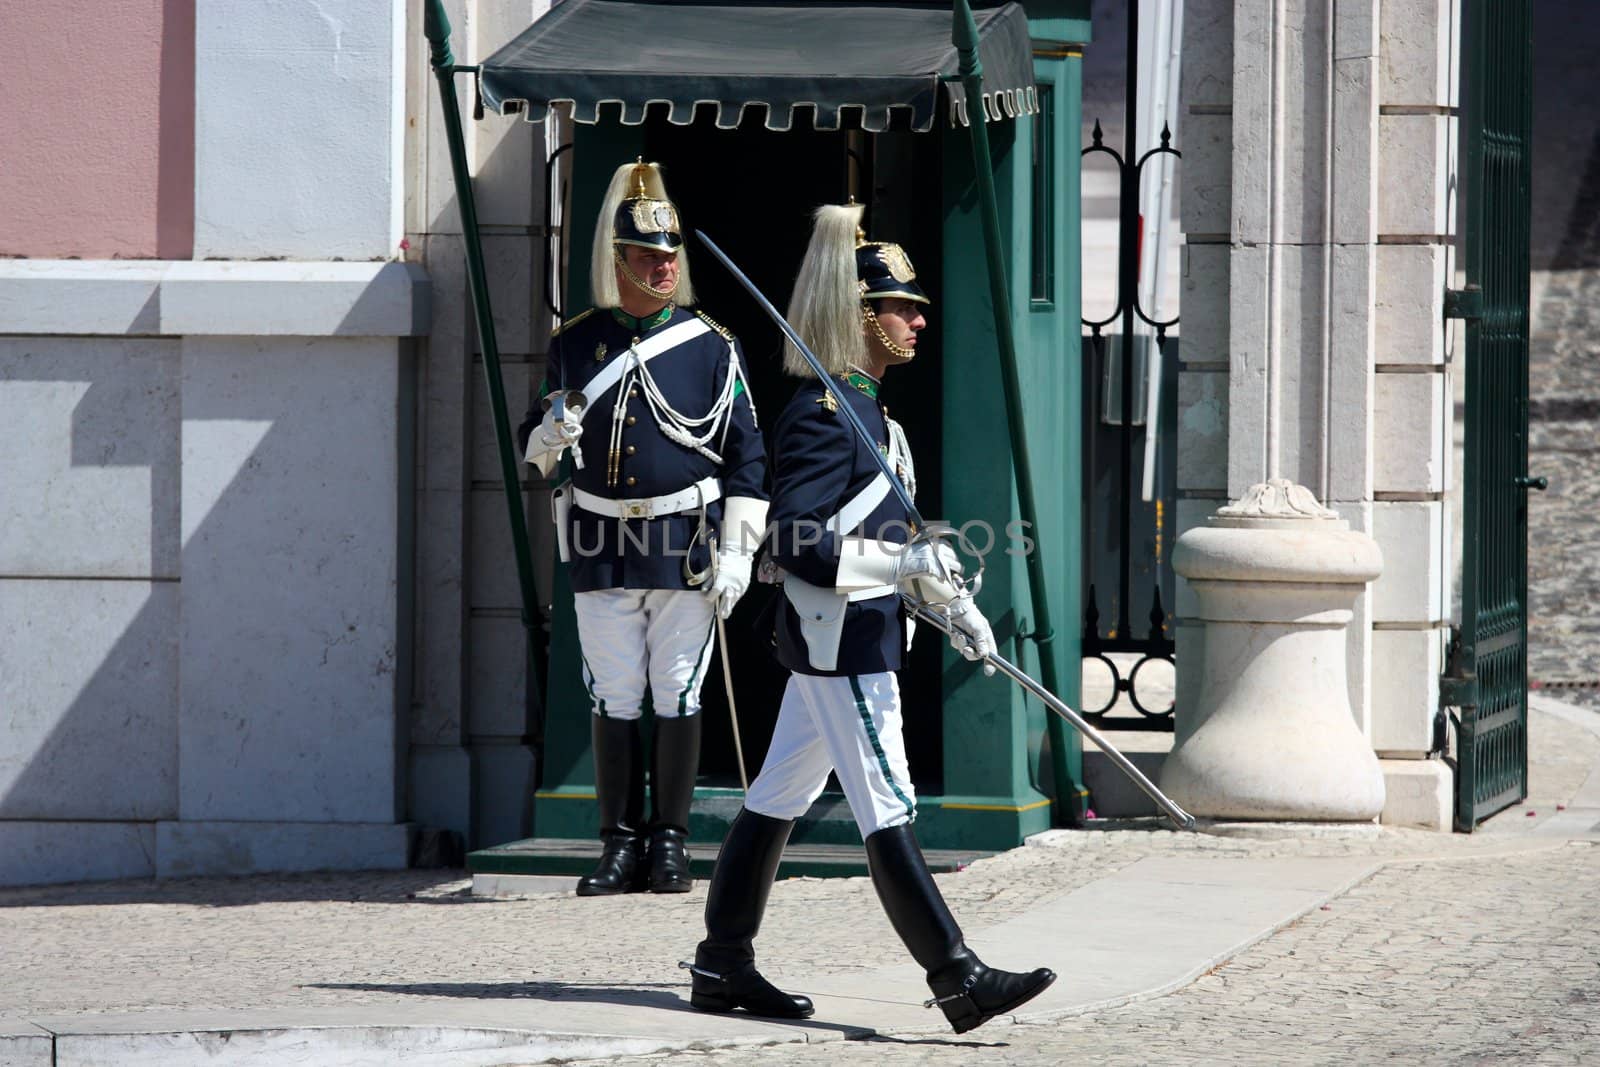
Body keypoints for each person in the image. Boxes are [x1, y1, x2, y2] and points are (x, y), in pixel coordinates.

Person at [684, 203, 1055, 1033]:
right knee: (888, 802)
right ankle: (957, 975)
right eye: (902, 306)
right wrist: (905, 566)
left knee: (776, 796)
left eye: (917, 307)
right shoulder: (822, 415)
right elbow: (800, 540)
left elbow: (893, 534)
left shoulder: (871, 416)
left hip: (854, 633)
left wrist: (951, 602)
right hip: (843, 640)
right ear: (860, 315)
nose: (919, 319)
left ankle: (721, 963)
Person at [518, 160, 767, 896]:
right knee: (615, 693)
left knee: (678, 690)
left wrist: (738, 552)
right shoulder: (578, 342)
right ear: (618, 260)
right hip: (599, 540)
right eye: (648, 257)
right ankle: (619, 843)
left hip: (681, 541)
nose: (663, 268)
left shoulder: (711, 344)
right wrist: (552, 431)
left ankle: (671, 841)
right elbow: (534, 454)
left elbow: (748, 457)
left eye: (670, 256)